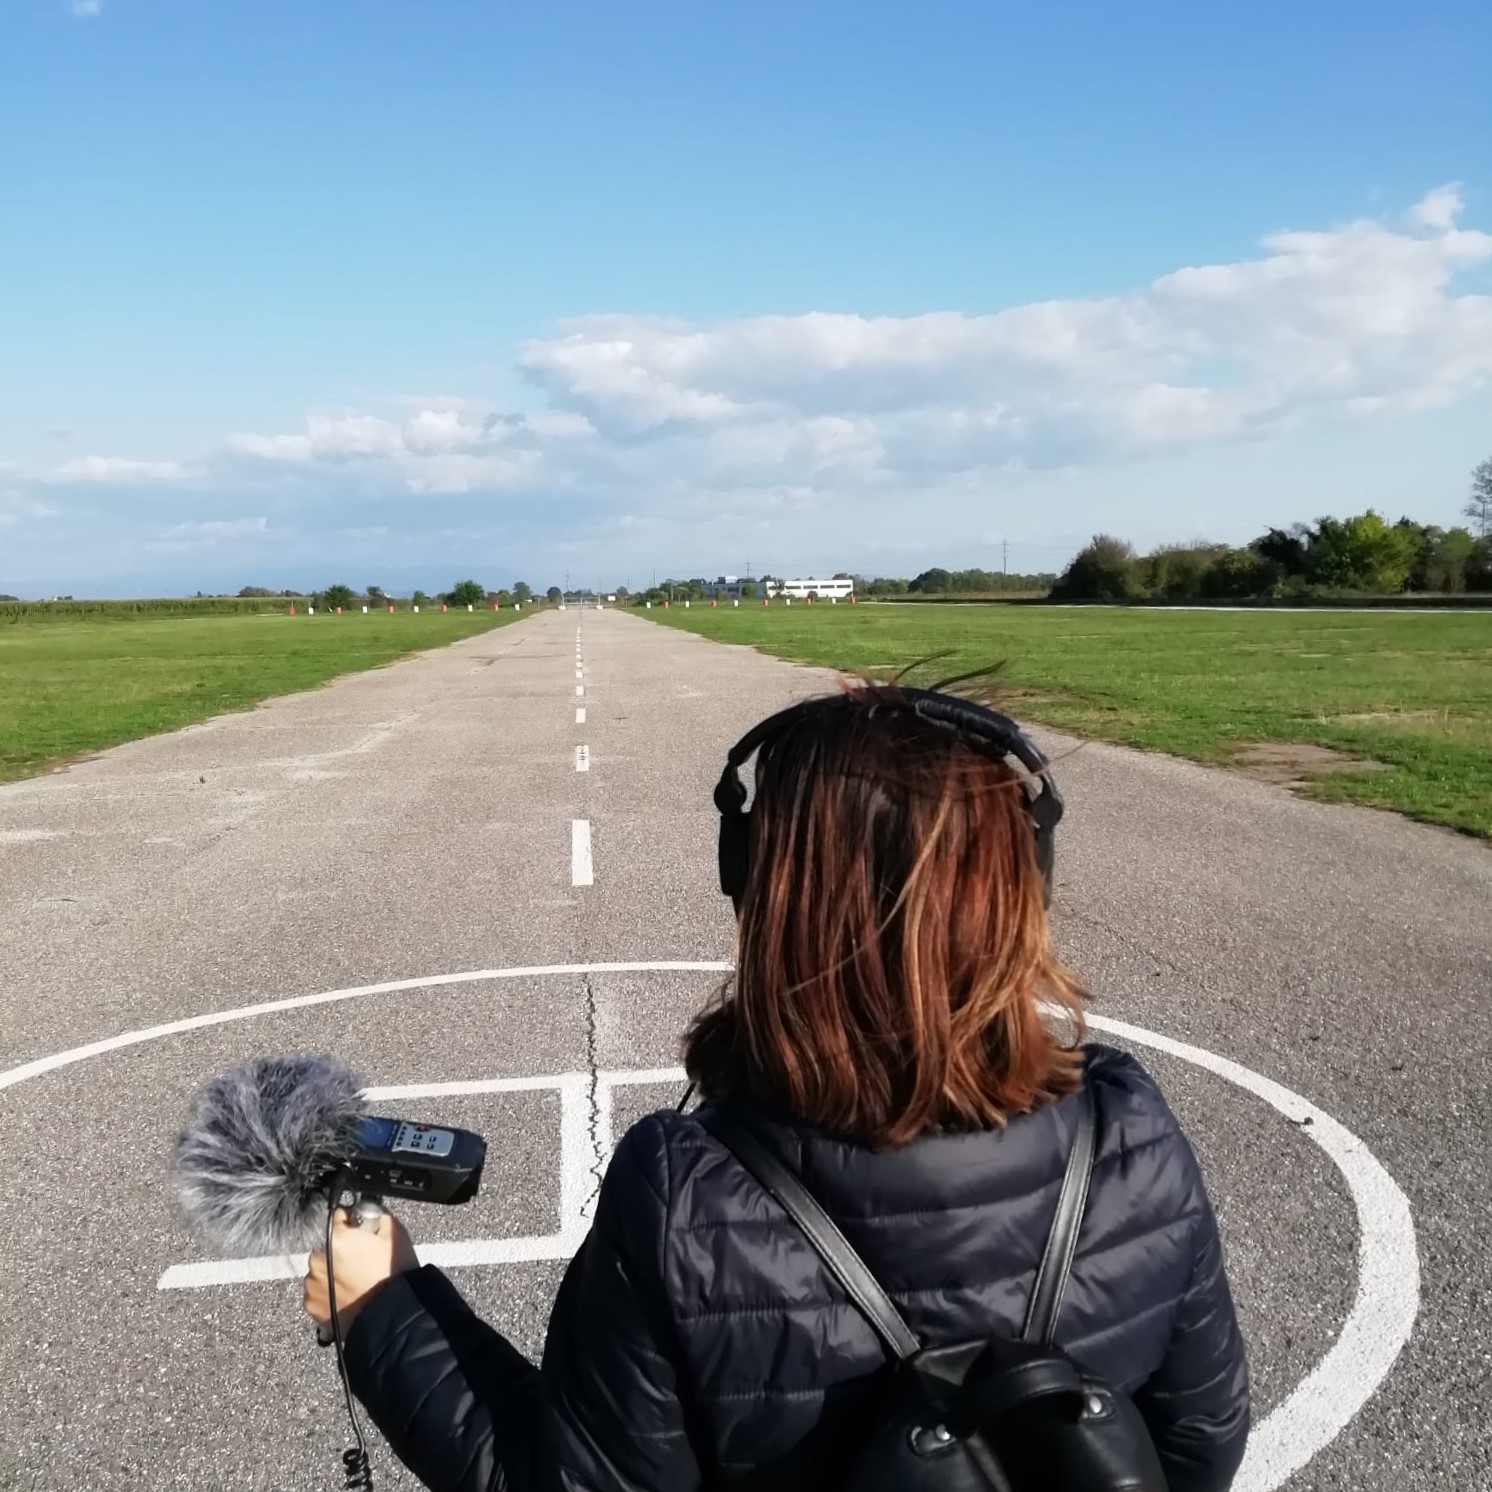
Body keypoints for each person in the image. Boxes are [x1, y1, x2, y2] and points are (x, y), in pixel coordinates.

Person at [304, 681, 1250, 1492]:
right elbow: (1197, 1451)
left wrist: (383, 1309)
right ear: (1022, 879)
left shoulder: (683, 1190)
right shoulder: (1129, 1130)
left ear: (761, 884)